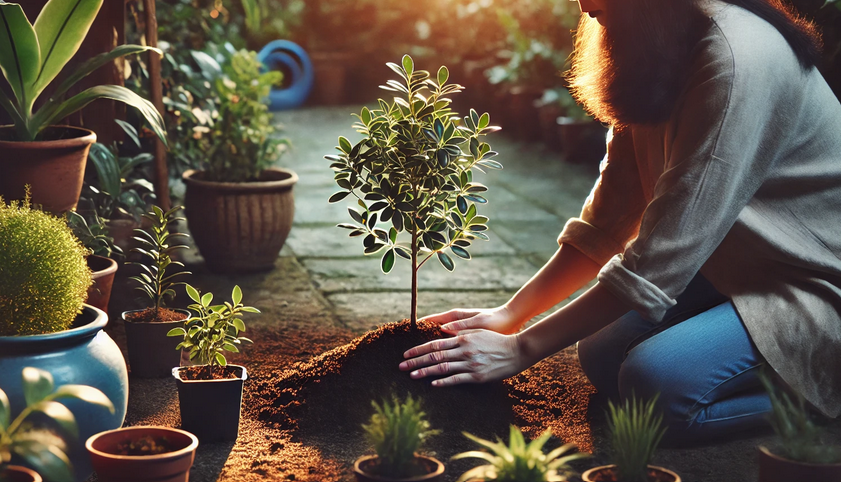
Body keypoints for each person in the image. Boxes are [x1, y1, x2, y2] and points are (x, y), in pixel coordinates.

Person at [399, 0, 841, 445]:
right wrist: (511, 315)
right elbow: (607, 221)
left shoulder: (734, 59)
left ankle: (822, 392)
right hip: (734, 266)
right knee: (602, 354)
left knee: (657, 388)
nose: (585, 5)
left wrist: (522, 349)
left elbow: (659, 258)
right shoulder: (658, 46)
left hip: (810, 284)